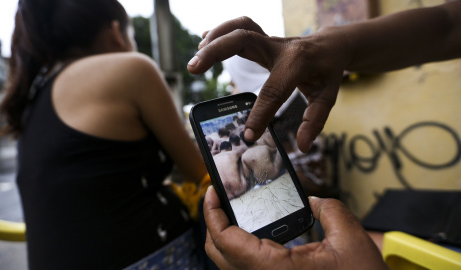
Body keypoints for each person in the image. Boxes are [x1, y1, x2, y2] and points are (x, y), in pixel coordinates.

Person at [187, 1, 461, 269]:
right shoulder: (281, 102)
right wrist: (339, 45)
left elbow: (450, 25)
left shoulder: (277, 110)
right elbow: (449, 24)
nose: (233, 87)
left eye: (234, 81)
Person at [0, 0, 207, 269]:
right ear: (116, 34)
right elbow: (201, 174)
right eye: (133, 37)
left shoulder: (32, 101)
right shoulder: (131, 69)